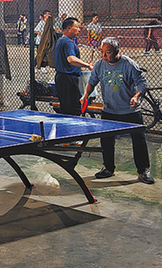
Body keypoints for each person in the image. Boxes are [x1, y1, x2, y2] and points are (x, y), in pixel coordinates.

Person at [81, 37, 153, 184]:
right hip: (110, 110)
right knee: (106, 140)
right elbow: (92, 82)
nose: (104, 55)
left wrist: (136, 96)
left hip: (130, 110)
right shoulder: (99, 65)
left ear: (117, 51)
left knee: (139, 140)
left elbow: (142, 83)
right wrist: (85, 95)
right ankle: (108, 168)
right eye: (102, 52)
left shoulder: (128, 64)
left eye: (108, 52)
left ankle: (143, 171)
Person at [53, 17, 93, 115]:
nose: (79, 30)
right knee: (73, 109)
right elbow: (71, 59)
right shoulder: (68, 42)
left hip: (62, 77)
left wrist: (79, 68)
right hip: (68, 79)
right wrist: (87, 65)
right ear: (69, 28)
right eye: (77, 27)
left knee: (66, 108)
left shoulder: (61, 40)